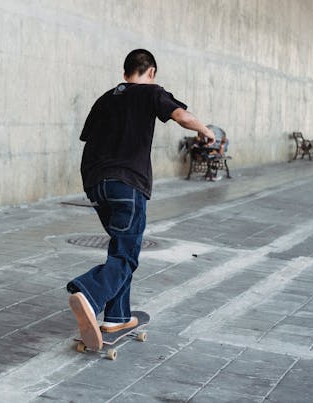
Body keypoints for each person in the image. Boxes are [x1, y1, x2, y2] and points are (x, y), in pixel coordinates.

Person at [66, 49, 215, 351]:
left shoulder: (105, 99)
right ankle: (90, 292)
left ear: (125, 74)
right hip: (127, 184)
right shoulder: (151, 92)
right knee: (126, 255)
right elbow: (181, 116)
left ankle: (117, 317)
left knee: (123, 247)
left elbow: (88, 139)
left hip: (95, 184)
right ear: (152, 72)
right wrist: (205, 130)